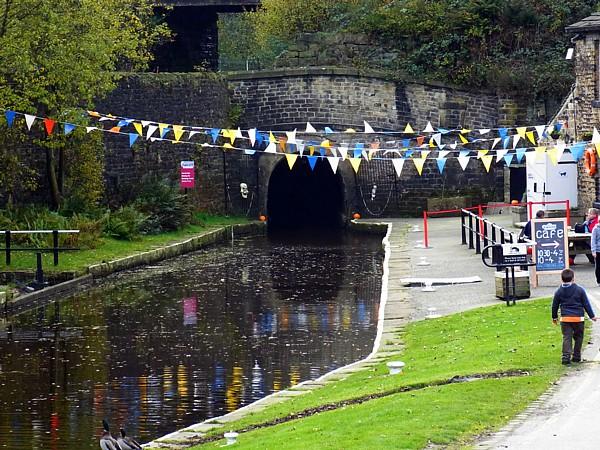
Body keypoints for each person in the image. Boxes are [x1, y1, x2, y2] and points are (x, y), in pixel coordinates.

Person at [551, 268, 597, 365]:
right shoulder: (580, 290)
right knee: (579, 337)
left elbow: (554, 305)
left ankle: (565, 357)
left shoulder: (559, 291)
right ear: (573, 278)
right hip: (578, 318)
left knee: (567, 337)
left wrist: (554, 317)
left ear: (561, 279)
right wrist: (592, 316)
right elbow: (586, 304)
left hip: (565, 319)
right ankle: (576, 356)